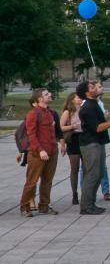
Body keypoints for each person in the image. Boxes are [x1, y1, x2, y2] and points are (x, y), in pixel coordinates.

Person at [77, 80, 110, 215]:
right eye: (92, 87)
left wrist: (108, 120)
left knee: (98, 174)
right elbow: (98, 128)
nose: (95, 88)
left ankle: (90, 204)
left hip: (97, 143)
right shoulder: (88, 107)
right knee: (92, 175)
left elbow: (99, 123)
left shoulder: (94, 104)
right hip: (90, 144)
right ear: (87, 92)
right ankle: (86, 206)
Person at [19, 89, 59, 217]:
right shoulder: (33, 114)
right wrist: (40, 150)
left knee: (47, 181)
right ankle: (25, 207)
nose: (50, 95)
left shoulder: (50, 113)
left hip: (52, 151)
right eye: (47, 94)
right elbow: (31, 135)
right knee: (32, 181)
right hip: (37, 153)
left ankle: (44, 205)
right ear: (40, 99)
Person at [59, 92, 83, 207]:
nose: (80, 99)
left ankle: (86, 192)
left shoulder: (84, 109)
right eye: (78, 97)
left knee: (88, 168)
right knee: (75, 168)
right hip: (73, 139)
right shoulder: (68, 112)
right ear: (72, 100)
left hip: (84, 138)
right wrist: (72, 126)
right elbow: (60, 128)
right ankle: (74, 193)